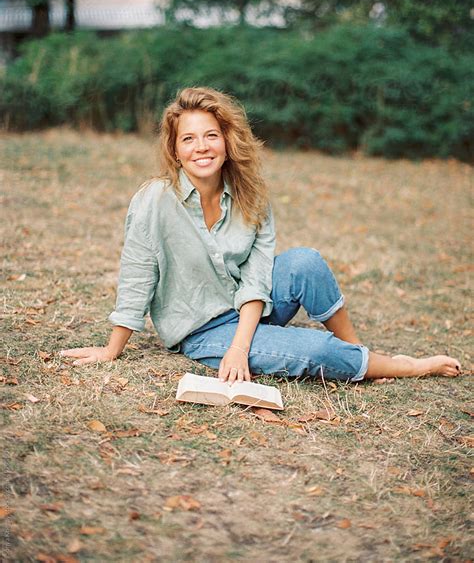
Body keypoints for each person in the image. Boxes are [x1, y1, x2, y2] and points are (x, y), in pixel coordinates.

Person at [60, 87, 461, 384]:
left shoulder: (251, 195)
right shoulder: (154, 200)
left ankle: (360, 355)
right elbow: (137, 275)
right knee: (316, 351)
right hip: (203, 331)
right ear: (175, 150)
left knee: (305, 261)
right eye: (189, 138)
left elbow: (256, 277)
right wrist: (112, 349)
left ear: (227, 142)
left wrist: (242, 344)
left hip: (249, 307)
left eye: (211, 135)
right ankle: (406, 366)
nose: (202, 147)